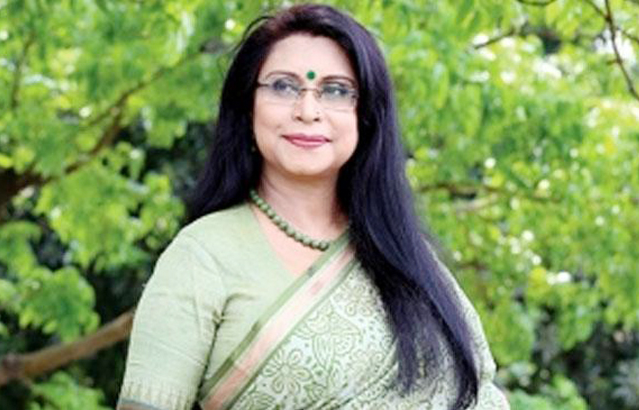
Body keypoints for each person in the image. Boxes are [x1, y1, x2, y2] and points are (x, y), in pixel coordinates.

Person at [117, 4, 509, 410]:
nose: (307, 111)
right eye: (283, 87)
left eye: (336, 90)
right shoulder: (201, 256)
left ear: (365, 115)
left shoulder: (406, 257)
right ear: (247, 107)